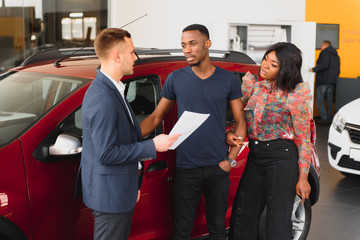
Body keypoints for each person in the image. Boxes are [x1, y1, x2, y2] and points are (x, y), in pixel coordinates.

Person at [140, 24, 247, 240]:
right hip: (186, 168)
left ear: (207, 44)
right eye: (183, 45)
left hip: (218, 167)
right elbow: (155, 117)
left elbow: (240, 121)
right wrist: (127, 138)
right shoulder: (176, 79)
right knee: (182, 229)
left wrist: (230, 161)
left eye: (192, 43)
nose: (187, 49)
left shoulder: (227, 80)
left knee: (217, 229)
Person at [78, 28, 179, 240]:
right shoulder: (102, 97)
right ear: (117, 55)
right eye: (132, 52)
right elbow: (106, 153)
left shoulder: (113, 89)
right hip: (110, 195)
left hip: (119, 189)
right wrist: (153, 145)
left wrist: (132, 184)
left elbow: (124, 138)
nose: (136, 57)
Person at [227, 42, 312, 240]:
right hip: (256, 155)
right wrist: (231, 133)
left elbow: (303, 139)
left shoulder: (295, 94)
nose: (265, 65)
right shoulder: (254, 86)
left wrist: (303, 177)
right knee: (243, 214)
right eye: (266, 59)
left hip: (282, 156)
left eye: (273, 64)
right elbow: (241, 119)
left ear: (286, 69)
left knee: (278, 220)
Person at [309, 40, 340, 124]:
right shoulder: (336, 55)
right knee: (329, 100)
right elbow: (337, 69)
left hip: (323, 80)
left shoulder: (325, 53)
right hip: (332, 81)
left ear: (325, 46)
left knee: (319, 100)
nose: (321, 47)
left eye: (322, 45)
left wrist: (313, 69)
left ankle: (324, 118)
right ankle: (329, 118)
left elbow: (324, 65)